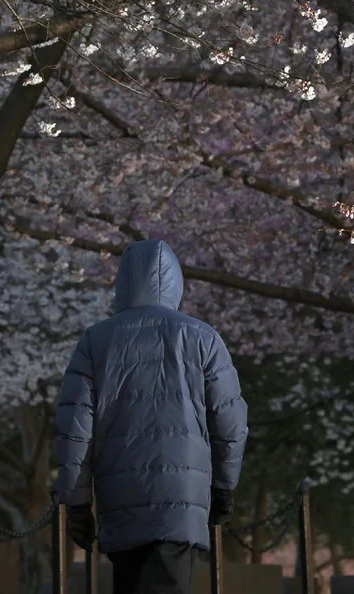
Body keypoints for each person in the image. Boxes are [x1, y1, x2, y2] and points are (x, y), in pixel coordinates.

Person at [54, 239, 249, 594]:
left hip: (120, 496)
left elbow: (75, 431)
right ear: (176, 283)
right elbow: (230, 423)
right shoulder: (203, 338)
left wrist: (78, 504)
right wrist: (224, 487)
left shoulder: (96, 341)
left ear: (123, 283)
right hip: (182, 496)